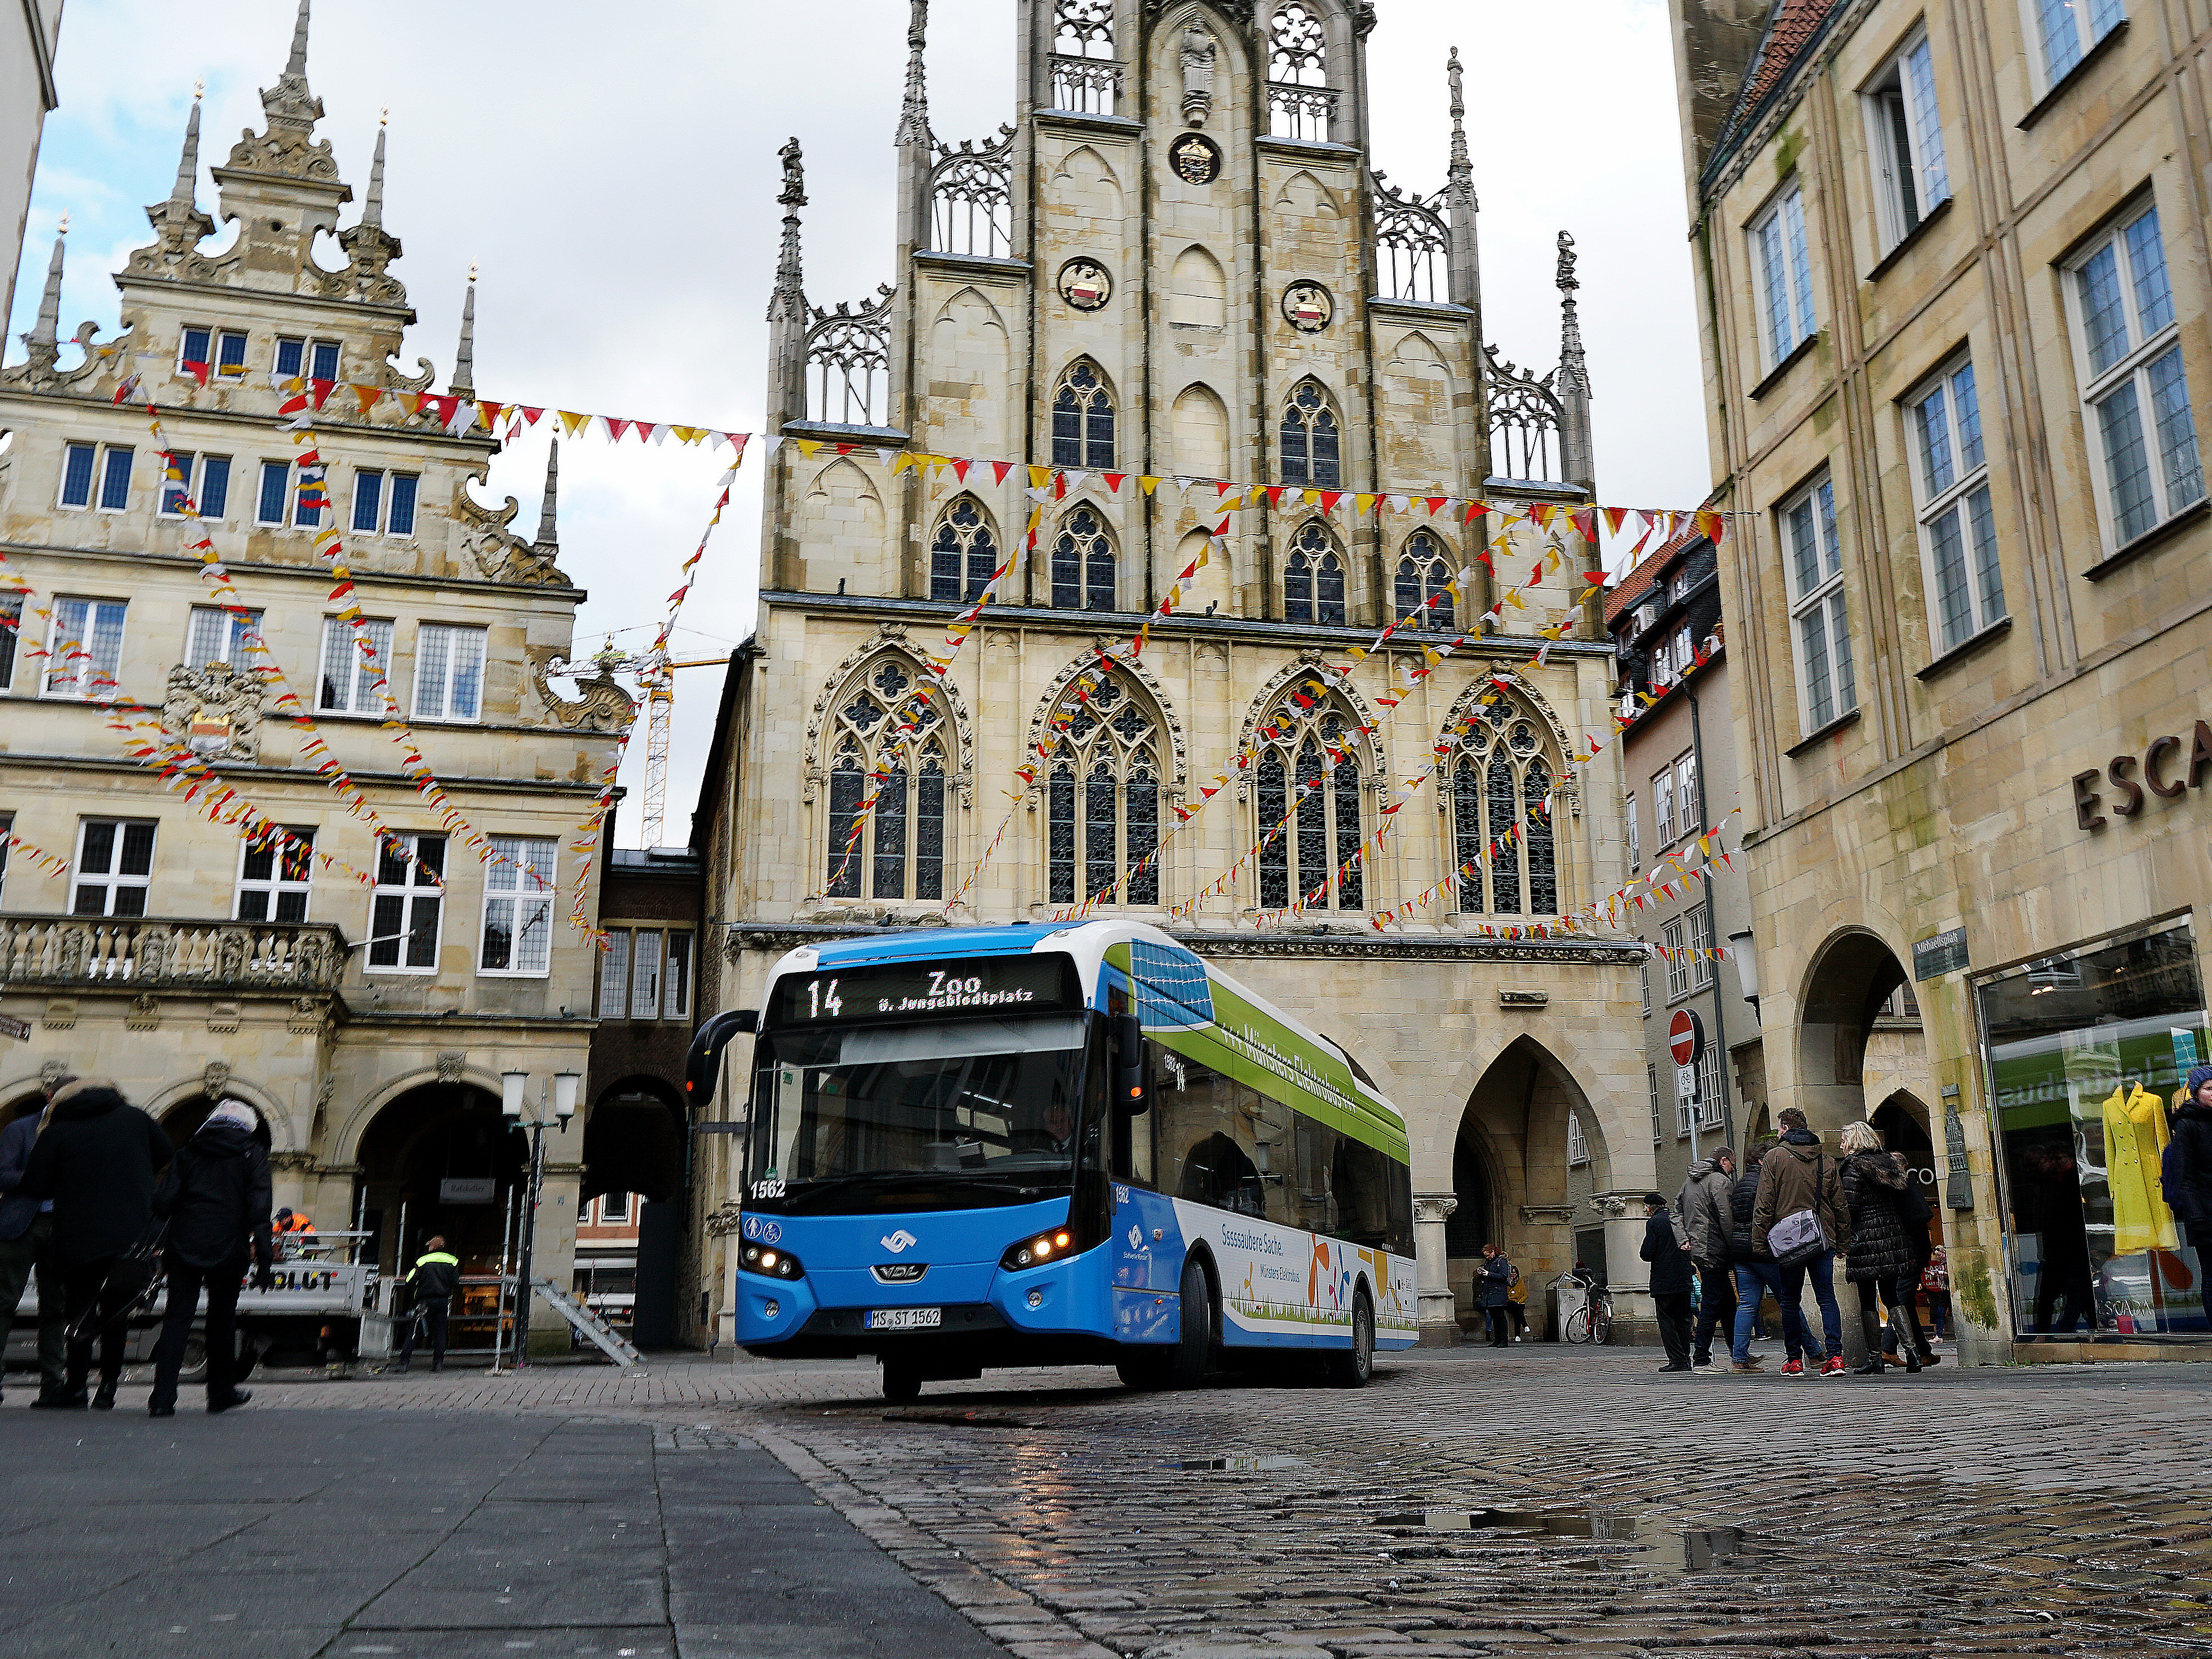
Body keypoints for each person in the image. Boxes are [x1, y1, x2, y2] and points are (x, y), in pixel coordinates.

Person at [19, 1079, 173, 1408]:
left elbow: (36, 1184)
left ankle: (76, 1388)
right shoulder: (135, 1118)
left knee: (80, 1312)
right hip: (130, 1235)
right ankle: (109, 1390)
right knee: (116, 1314)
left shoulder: (60, 1129)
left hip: (79, 1234)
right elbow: (166, 1154)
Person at [147, 1099, 274, 1417]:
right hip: (229, 1248)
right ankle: (220, 1393)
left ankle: (162, 1398)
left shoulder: (188, 1153)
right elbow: (259, 1211)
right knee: (222, 1321)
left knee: (177, 1319)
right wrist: (265, 1259)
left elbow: (163, 1204)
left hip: (184, 1246)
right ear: (247, 1126)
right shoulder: (253, 1154)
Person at [1753, 1106, 1850, 1376]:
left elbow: (1764, 1203)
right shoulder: (1825, 1159)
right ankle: (1835, 1357)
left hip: (1788, 1241)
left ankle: (1794, 1359)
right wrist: (1842, 1242)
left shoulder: (1774, 1157)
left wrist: (1760, 1243)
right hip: (1821, 1238)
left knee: (1789, 1300)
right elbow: (1840, 1204)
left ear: (1784, 1129)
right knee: (1827, 1297)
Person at [0, 1080, 73, 1407]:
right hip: (20, 1225)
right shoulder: (20, 1129)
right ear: (50, 1096)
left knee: (56, 1308)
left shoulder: (80, 1133)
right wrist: (39, 1178)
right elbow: (2, 1173)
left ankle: (53, 1385)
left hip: (62, 1225)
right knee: (4, 1303)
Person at [1838, 1121, 1925, 1377]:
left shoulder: (1854, 1168)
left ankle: (1875, 1358)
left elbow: (1851, 1207)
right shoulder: (1890, 1164)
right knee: (1892, 1296)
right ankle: (1913, 1354)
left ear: (1855, 1141)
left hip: (1866, 1238)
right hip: (1893, 1235)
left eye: (1844, 1141)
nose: (1842, 1146)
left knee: (1867, 1298)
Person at [1727, 1137, 1797, 1373]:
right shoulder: (1766, 1183)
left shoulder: (1739, 1185)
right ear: (1762, 1160)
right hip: (1765, 1251)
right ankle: (1814, 1352)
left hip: (1741, 1251)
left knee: (1747, 1304)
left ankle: (1739, 1357)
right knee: (1789, 1300)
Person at [1678, 1146, 1737, 1373]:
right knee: (1713, 1303)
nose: (1733, 1170)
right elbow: (1727, 1218)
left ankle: (1738, 1353)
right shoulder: (1719, 1182)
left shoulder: (1689, 1183)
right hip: (1716, 1250)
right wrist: (1736, 1250)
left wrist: (1684, 1238)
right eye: (1732, 1164)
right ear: (1724, 1161)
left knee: (1727, 1304)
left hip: (1701, 1251)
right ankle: (1702, 1358)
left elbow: (1676, 1212)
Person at [1640, 1192, 1695, 1372]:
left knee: (1667, 1320)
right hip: (1684, 1277)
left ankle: (1677, 1360)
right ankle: (1685, 1358)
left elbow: (1647, 1253)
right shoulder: (1679, 1220)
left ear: (1650, 1208)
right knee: (1684, 1319)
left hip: (1664, 1280)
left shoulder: (1655, 1223)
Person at [397, 1235, 462, 1372]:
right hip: (443, 1301)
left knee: (415, 1332)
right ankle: (438, 1363)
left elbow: (410, 1280)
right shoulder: (453, 1261)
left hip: (425, 1301)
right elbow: (456, 1282)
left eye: (429, 1245)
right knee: (440, 1332)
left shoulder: (423, 1260)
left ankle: (404, 1362)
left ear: (432, 1246)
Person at [2165, 1064, 2212, 1240]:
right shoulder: (2186, 1125)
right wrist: (2198, 1218)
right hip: (2205, 1215)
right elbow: (2184, 1176)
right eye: (2208, 1089)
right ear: (2196, 1093)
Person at [1475, 1243, 1512, 1347]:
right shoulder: (1489, 1262)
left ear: (1493, 1252)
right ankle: (1497, 1340)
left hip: (1498, 1293)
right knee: (1494, 1318)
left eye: (1488, 1255)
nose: (1487, 1257)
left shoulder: (1501, 1261)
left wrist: (1488, 1274)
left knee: (1500, 1317)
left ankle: (1504, 1340)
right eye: (1485, 1256)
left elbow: (1503, 1276)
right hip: (1490, 1293)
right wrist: (1481, 1274)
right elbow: (1487, 1277)